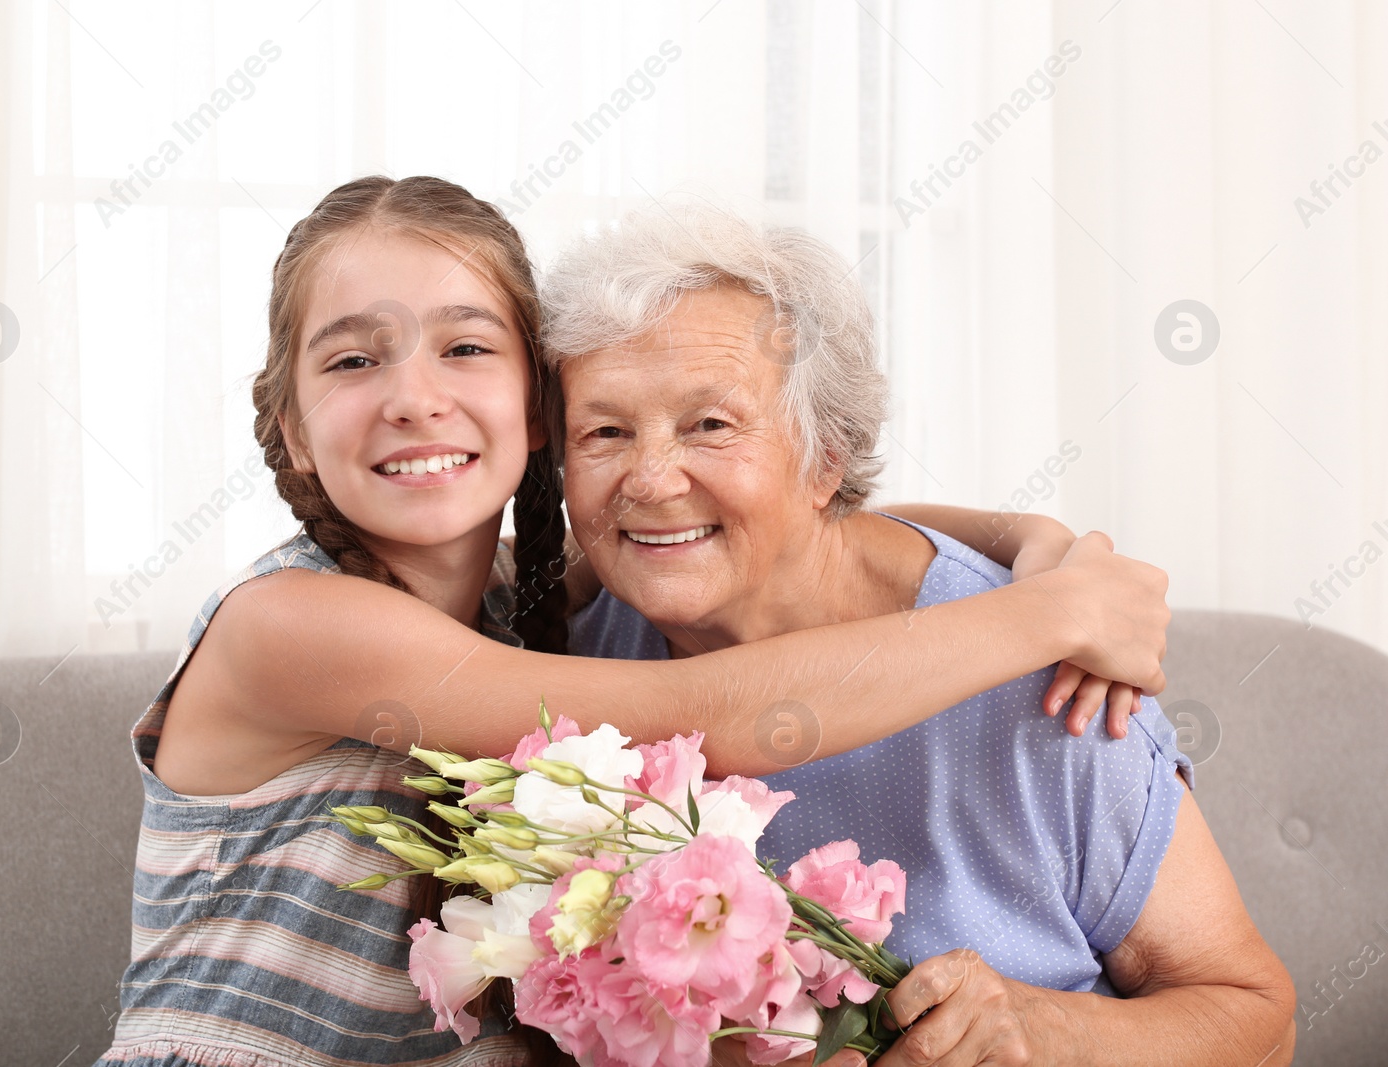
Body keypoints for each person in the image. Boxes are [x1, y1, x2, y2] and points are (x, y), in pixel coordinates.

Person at [93, 176, 1170, 1067]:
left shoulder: (516, 607)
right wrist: (1048, 608)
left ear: (538, 411)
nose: (414, 397)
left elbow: (790, 514)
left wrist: (1031, 540)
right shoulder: (293, 626)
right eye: (352, 358)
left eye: (464, 349)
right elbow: (694, 712)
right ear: (287, 423)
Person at [549, 204, 1297, 1066]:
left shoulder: (1043, 671)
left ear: (827, 455)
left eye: (710, 424)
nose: (647, 479)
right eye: (603, 431)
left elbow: (1260, 1017)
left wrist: (1058, 1030)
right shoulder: (572, 633)